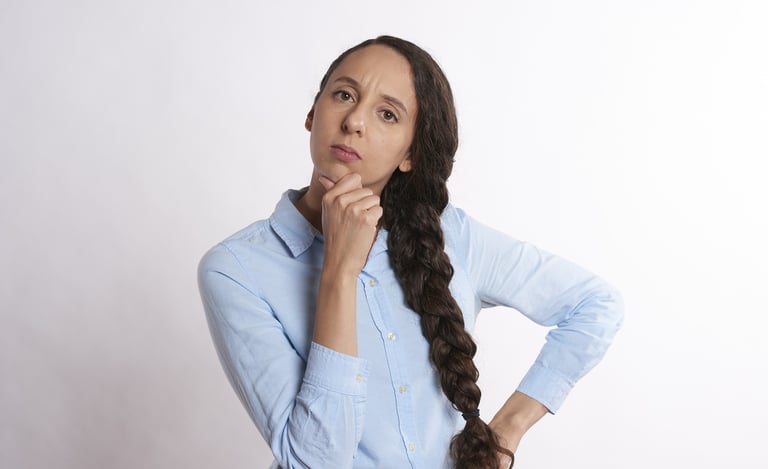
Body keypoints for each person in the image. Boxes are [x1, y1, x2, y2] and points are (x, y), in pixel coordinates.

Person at [198, 35, 623, 469]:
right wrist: (339, 273)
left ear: (410, 155)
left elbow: (596, 305)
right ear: (312, 113)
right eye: (344, 94)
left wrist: (507, 431)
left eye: (387, 114)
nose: (355, 121)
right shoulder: (235, 270)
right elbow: (314, 462)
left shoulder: (452, 236)